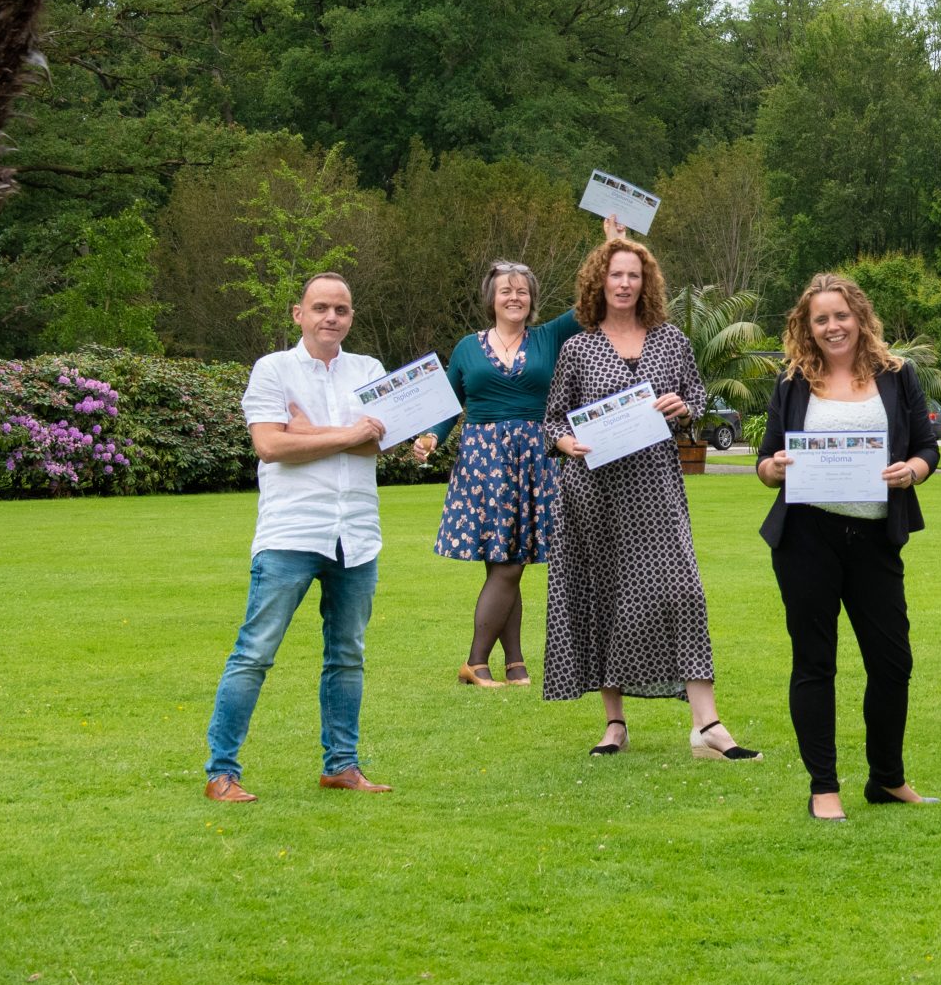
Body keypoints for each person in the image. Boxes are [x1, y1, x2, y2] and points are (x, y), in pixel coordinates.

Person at [541, 232, 759, 763]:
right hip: (592, 491)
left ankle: (707, 725)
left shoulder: (671, 341)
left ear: (646, 284)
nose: (624, 283)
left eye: (633, 276)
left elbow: (698, 399)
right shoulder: (578, 347)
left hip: (656, 487)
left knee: (683, 590)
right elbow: (551, 420)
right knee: (605, 596)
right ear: (600, 281)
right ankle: (614, 723)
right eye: (615, 274)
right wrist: (565, 441)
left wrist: (682, 405)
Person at [204, 272, 420, 801]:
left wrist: (308, 432)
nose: (331, 317)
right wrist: (346, 433)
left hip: (357, 535)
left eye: (341, 310)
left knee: (347, 655)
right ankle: (221, 772)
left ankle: (341, 766)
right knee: (255, 652)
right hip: (291, 532)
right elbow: (270, 447)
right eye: (320, 307)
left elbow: (379, 445)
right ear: (298, 313)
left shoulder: (368, 370)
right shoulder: (273, 369)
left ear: (351, 317)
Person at [756, 273, 941, 823]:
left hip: (875, 539)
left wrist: (912, 469)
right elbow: (765, 461)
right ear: (806, 327)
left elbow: (928, 447)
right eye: (821, 319)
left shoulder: (896, 375)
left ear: (859, 317)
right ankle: (824, 787)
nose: (832, 327)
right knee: (815, 663)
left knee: (892, 663)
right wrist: (774, 469)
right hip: (806, 537)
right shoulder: (793, 381)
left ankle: (886, 779)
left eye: (841, 316)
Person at [431, 217, 625, 688]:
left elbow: (594, 300)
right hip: (483, 458)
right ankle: (476, 662)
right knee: (507, 564)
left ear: (532, 299)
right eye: (505, 291)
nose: (514, 297)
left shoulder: (549, 337)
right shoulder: (466, 348)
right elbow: (445, 400)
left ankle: (515, 664)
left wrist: (612, 249)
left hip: (536, 455)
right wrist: (432, 438)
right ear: (491, 299)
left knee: (509, 561)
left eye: (522, 291)